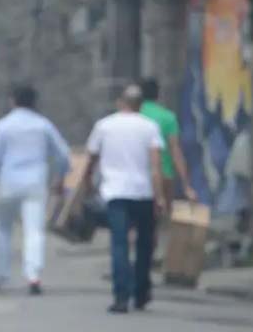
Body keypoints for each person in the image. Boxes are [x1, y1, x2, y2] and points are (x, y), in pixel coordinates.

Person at [0, 84, 70, 294]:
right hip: (35, 183)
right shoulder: (43, 125)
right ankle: (34, 275)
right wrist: (60, 178)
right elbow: (63, 155)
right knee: (34, 230)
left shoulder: (3, 126)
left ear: (12, 100)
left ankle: (0, 274)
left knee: (3, 229)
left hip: (8, 183)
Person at [82, 85, 167, 314]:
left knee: (119, 244)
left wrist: (87, 184)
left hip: (115, 193)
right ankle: (141, 293)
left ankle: (121, 296)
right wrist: (159, 196)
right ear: (140, 105)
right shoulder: (150, 127)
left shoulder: (104, 126)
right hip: (143, 193)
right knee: (144, 245)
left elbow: (90, 160)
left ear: (120, 102)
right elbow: (156, 167)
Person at [139, 78, 198, 207]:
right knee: (162, 221)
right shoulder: (168, 117)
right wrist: (186, 186)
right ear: (158, 95)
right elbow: (175, 152)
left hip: (137, 177)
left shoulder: (134, 117)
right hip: (164, 176)